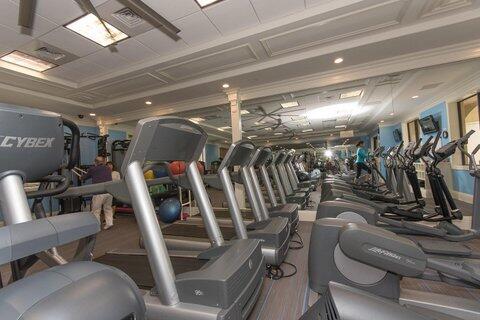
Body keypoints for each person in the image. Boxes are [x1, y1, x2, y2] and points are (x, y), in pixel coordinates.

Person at [82, 156, 114, 230]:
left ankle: (97, 225)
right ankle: (109, 223)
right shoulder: (108, 168)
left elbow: (85, 177)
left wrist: (81, 177)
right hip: (109, 191)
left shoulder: (93, 169)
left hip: (99, 192)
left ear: (95, 162)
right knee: (108, 208)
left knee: (96, 210)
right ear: (103, 162)